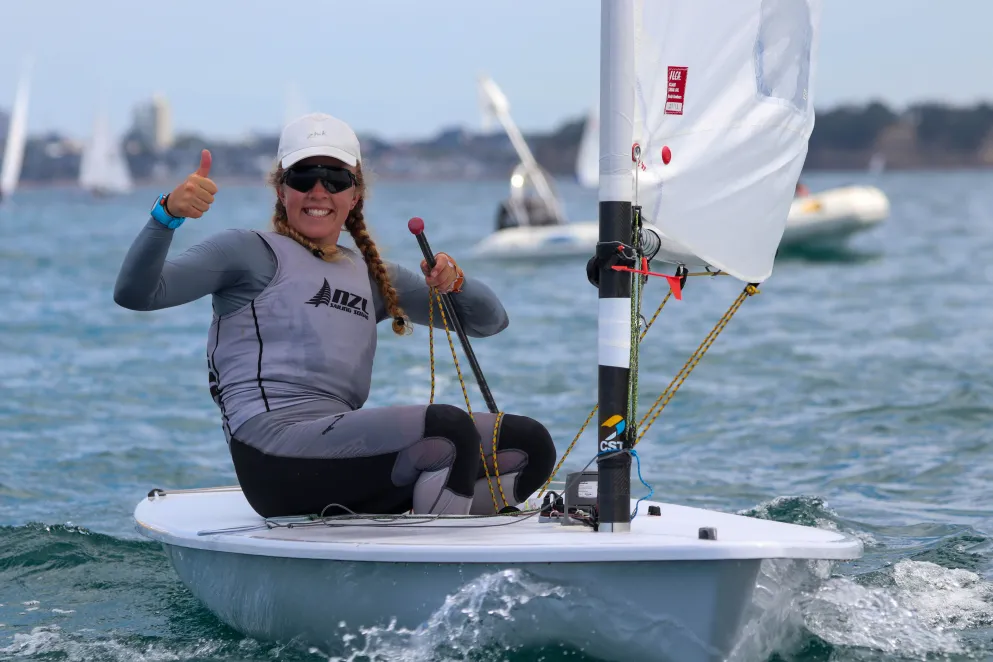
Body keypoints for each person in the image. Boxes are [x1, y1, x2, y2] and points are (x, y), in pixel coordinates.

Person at [114, 112, 556, 519]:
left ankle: (439, 528)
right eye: (304, 176)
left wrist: (456, 282)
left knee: (529, 445)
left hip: (346, 455)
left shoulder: (375, 276)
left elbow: (488, 322)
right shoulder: (244, 252)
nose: (319, 190)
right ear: (281, 189)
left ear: (354, 195)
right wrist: (165, 215)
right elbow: (138, 294)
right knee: (446, 430)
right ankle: (438, 552)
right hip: (271, 459)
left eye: (335, 177)